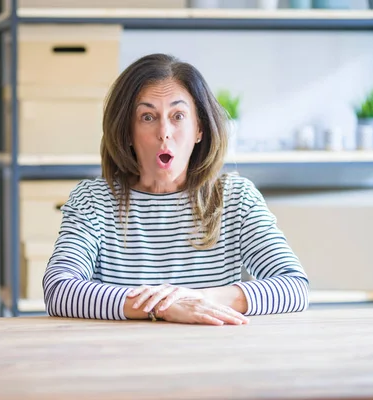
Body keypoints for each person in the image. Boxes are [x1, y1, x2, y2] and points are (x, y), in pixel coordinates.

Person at [42, 53, 309, 325]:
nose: (164, 132)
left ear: (199, 130)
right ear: (127, 132)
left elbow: (294, 287)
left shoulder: (236, 198)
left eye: (178, 116)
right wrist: (165, 308)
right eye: (148, 117)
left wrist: (201, 300)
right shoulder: (92, 200)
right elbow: (59, 290)